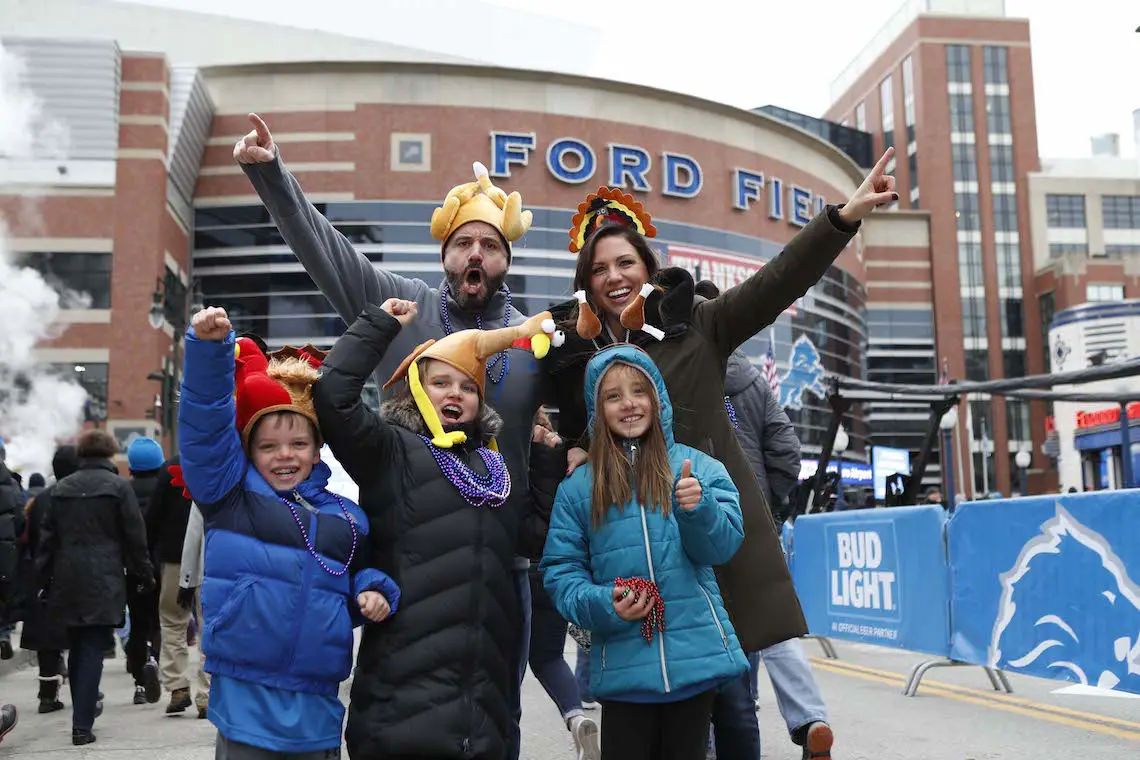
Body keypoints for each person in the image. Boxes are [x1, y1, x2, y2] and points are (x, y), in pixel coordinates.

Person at [236, 116, 545, 759]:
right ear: (445, 256)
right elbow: (327, 250)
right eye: (463, 244)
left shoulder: (532, 339)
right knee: (403, 708)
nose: (476, 255)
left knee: (491, 717)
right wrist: (271, 174)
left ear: (506, 259)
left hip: (503, 561)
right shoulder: (406, 307)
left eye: (489, 244)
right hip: (411, 555)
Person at [544, 151, 897, 660]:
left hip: (707, 534)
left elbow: (777, 280)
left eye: (625, 262)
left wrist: (843, 219)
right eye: (599, 269)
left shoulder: (701, 326)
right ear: (587, 284)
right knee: (650, 695)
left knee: (732, 703)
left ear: (648, 268)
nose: (614, 276)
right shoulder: (584, 354)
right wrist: (578, 447)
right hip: (636, 551)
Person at [312, 297, 558, 759]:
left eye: (467, 386)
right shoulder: (390, 451)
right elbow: (333, 397)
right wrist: (379, 325)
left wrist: (545, 461)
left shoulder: (494, 469)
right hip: (399, 712)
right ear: (415, 391)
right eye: (440, 382)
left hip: (482, 716)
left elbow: (533, 539)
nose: (454, 393)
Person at [178, 306, 398, 759]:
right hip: (245, 693)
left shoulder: (347, 517)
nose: (285, 455)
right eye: (268, 445)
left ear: (319, 451)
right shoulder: (229, 495)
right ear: (248, 450)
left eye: (299, 444)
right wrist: (209, 352)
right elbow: (204, 428)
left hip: (317, 697)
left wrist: (374, 590)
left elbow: (361, 573)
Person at [542, 344, 749, 760]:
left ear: (658, 398)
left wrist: (699, 510)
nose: (629, 404)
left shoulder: (701, 469)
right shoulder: (579, 487)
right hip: (622, 671)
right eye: (612, 396)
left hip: (695, 663)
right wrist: (605, 603)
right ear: (596, 408)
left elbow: (724, 547)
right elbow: (561, 572)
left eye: (639, 391)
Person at [694, 280, 835, 760]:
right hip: (754, 519)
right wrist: (766, 504)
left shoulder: (687, 371)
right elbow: (787, 451)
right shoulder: (754, 381)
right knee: (771, 623)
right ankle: (810, 716)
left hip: (703, 512)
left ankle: (712, 736)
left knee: (711, 623)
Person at [37, 429, 154, 746]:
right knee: (91, 649)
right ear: (109, 455)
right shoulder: (118, 487)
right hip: (104, 577)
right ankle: (82, 724)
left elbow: (47, 541)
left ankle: (83, 714)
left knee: (77, 646)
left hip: (66, 577)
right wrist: (144, 573)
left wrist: (41, 581)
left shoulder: (61, 489)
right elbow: (135, 535)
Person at [520, 409, 601, 760]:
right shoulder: (567, 456)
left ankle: (507, 733)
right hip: (556, 569)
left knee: (512, 662)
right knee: (549, 656)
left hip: (518, 568)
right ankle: (576, 714)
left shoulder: (509, 451)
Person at [146, 454, 210, 716]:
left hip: (173, 557)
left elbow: (153, 516)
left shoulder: (171, 466)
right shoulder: (223, 458)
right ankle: (207, 693)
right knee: (210, 624)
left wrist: (151, 553)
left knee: (172, 621)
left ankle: (178, 687)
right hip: (212, 556)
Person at [20, 445, 80, 714]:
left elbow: (26, 538)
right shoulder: (80, 496)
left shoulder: (38, 501)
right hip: (76, 573)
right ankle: (84, 689)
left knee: (47, 639)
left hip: (44, 573)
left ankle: (47, 695)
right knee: (80, 636)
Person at [124, 437, 165, 706]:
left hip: (133, 567)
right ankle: (155, 661)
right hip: (164, 564)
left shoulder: (123, 490)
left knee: (138, 624)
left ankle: (139, 681)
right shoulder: (167, 488)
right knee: (160, 621)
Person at [0, 439, 26, 661]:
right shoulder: (13, 484)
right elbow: (20, 518)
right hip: (6, 549)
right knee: (5, 592)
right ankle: (4, 634)